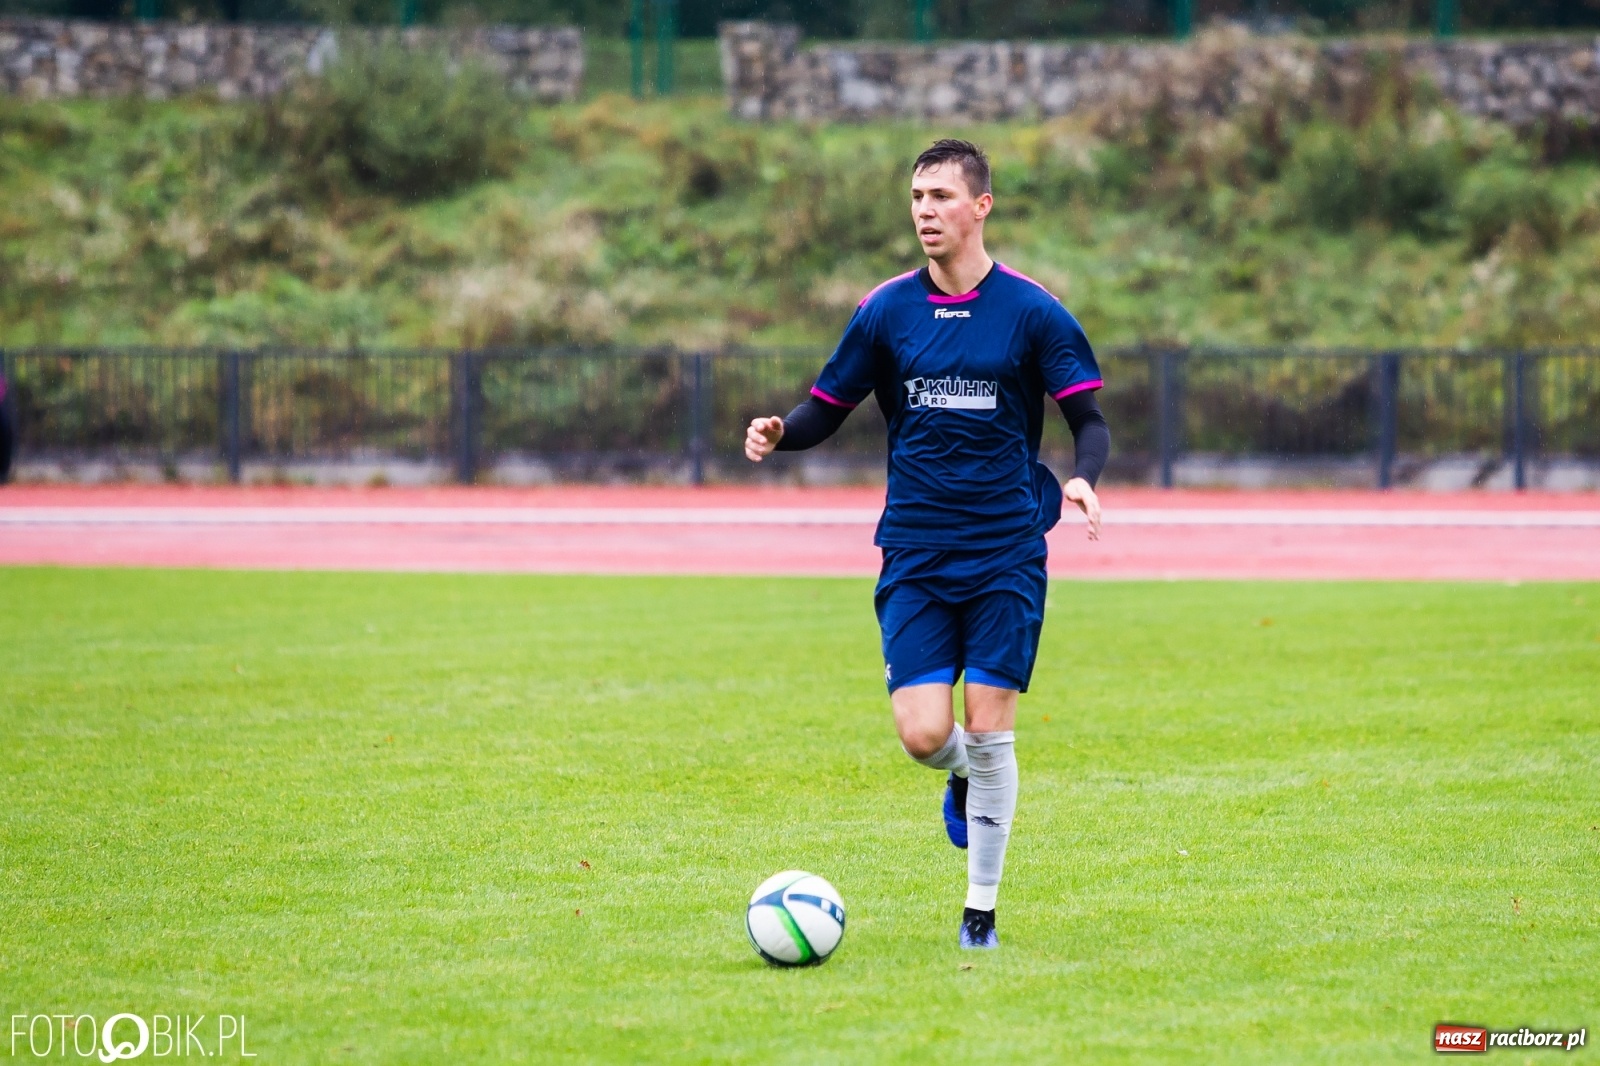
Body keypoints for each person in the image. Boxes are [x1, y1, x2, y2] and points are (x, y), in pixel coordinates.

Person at [744, 139, 1110, 950]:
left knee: (990, 726)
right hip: (914, 549)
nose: (925, 211)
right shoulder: (886, 311)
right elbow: (825, 409)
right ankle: (961, 776)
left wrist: (1084, 477)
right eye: (916, 197)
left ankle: (980, 913)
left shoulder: (1033, 312)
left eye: (941, 196)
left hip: (1006, 549)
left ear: (981, 206)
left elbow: (1087, 416)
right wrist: (781, 431)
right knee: (922, 735)